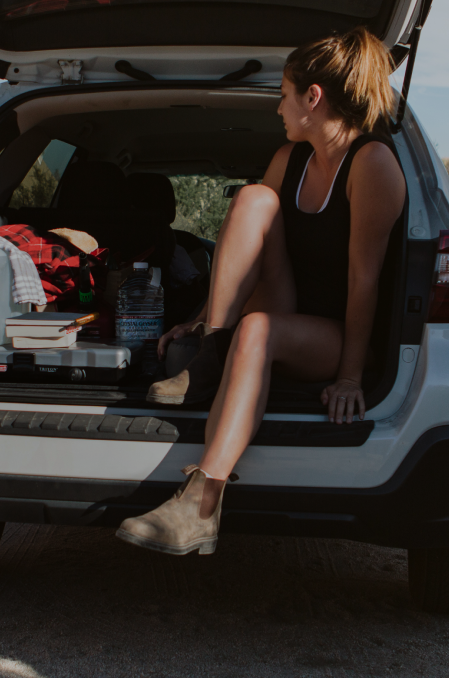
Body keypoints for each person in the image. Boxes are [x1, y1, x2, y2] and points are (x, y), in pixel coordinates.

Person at [116, 27, 408, 556]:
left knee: (259, 329)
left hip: (334, 336)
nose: (279, 108)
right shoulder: (289, 159)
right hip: (285, 306)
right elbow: (241, 251)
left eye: (283, 95)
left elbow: (366, 281)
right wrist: (200, 318)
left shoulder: (372, 164)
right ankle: (211, 351)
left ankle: (200, 504)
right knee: (252, 199)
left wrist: (350, 375)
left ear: (312, 98)